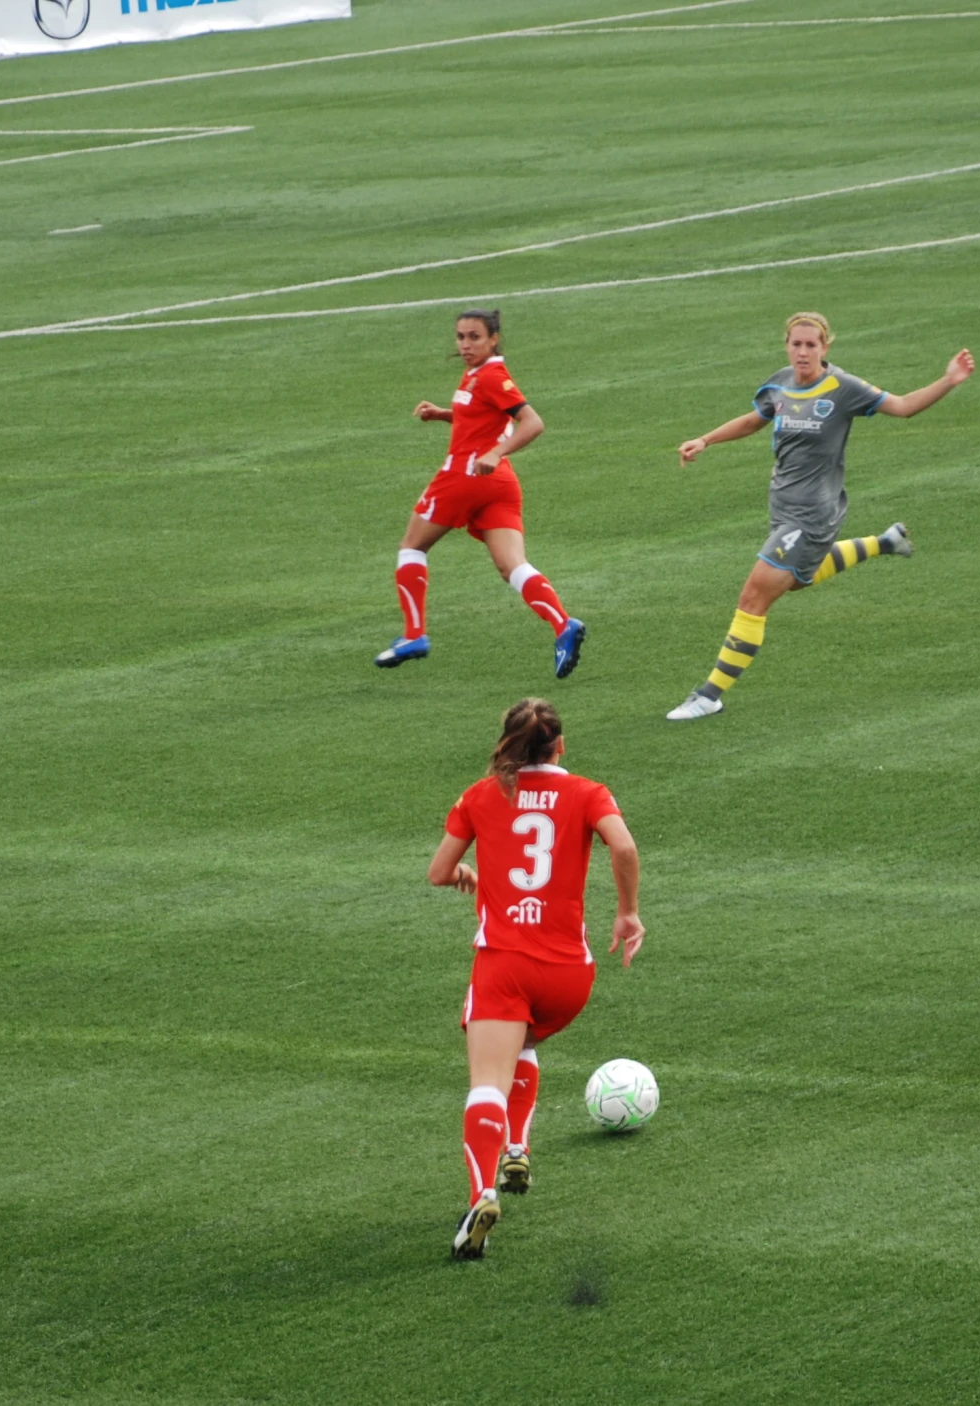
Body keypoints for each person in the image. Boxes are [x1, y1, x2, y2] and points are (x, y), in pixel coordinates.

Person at [663, 313, 972, 721]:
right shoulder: (780, 383)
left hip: (812, 516)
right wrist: (706, 439)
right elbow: (755, 419)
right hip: (783, 510)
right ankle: (885, 542)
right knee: (790, 583)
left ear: (826, 347)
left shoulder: (843, 389)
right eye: (797, 344)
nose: (803, 352)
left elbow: (902, 406)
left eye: (812, 345)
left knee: (754, 597)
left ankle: (709, 694)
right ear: (787, 346)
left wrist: (948, 380)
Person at [428, 698, 642, 1260]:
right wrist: (627, 912)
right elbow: (622, 844)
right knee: (525, 1039)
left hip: (505, 964)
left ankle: (482, 1195)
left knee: (485, 1084)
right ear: (560, 745)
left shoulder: (480, 795)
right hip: (570, 973)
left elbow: (437, 872)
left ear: (508, 745)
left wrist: (464, 876)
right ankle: (517, 1146)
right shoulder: (589, 793)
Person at [378, 310, 589, 679]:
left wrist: (495, 452)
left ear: (494, 339)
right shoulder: (477, 374)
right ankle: (563, 624)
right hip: (498, 486)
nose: (465, 345)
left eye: (474, 337)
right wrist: (444, 415)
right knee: (512, 566)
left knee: (412, 547)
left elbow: (532, 422)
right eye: (460, 337)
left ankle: (414, 635)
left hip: (465, 476)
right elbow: (484, 418)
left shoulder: (492, 375)